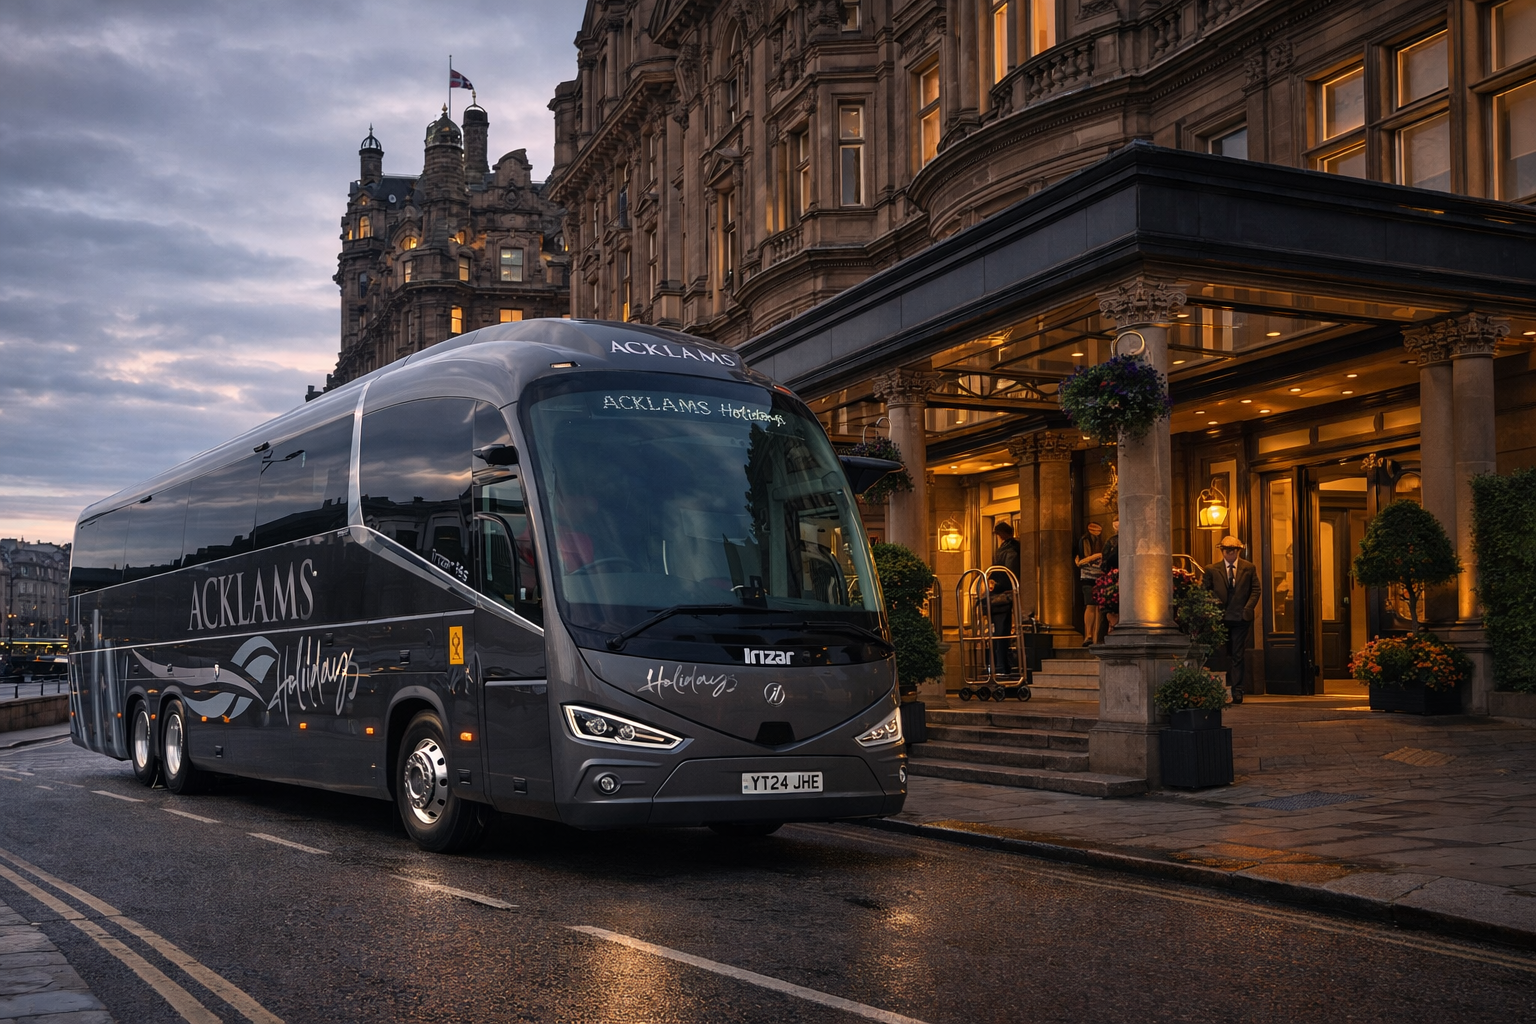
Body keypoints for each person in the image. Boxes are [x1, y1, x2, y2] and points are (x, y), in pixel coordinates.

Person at [1203, 535, 1260, 704]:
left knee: (1237, 654)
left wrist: (1247, 608)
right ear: (1222, 551)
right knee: (1221, 653)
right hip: (1220, 618)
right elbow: (1204, 590)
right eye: (1227, 550)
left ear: (1238, 551)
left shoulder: (1248, 568)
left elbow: (1256, 590)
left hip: (1240, 618)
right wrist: (1213, 606)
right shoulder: (1212, 569)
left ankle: (1237, 690)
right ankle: (1220, 689)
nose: (1230, 553)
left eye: (1233, 550)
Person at [988, 522, 1022, 677]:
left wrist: (994, 584)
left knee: (1001, 630)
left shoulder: (1008, 549)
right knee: (1002, 630)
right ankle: (1002, 664)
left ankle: (1001, 664)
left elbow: (1005, 570)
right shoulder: (1010, 548)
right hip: (1005, 591)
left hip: (1002, 591)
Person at [1075, 521, 1104, 647]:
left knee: (1098, 607)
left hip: (1099, 576)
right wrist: (1097, 556)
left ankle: (1095, 635)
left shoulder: (1100, 541)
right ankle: (1089, 635)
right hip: (1089, 577)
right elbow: (1081, 560)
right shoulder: (1084, 540)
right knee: (1091, 605)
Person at [1099, 518, 1119, 641]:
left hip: (1115, 577)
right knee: (1111, 608)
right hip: (1113, 578)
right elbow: (1105, 559)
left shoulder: (1114, 541)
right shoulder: (1112, 541)